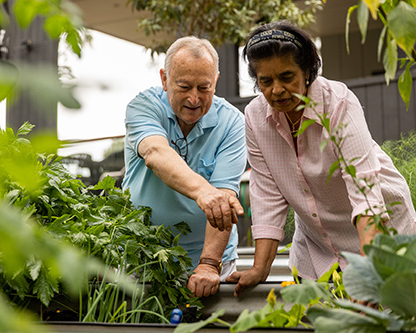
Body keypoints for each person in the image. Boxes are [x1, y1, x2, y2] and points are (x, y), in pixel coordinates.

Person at [226, 21, 416, 297]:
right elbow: (267, 194)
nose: (276, 90)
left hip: (380, 234)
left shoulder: (338, 103)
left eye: (287, 77)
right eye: (265, 81)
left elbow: (365, 193)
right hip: (318, 245)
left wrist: (369, 276)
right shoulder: (255, 117)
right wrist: (260, 268)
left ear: (307, 71)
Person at [122, 36, 247, 297]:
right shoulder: (144, 106)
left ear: (216, 80)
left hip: (209, 264)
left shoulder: (232, 122)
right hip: (143, 256)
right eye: (184, 86)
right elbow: (156, 153)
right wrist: (205, 192)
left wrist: (209, 264)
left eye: (204, 87)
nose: (194, 98)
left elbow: (225, 196)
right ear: (165, 79)